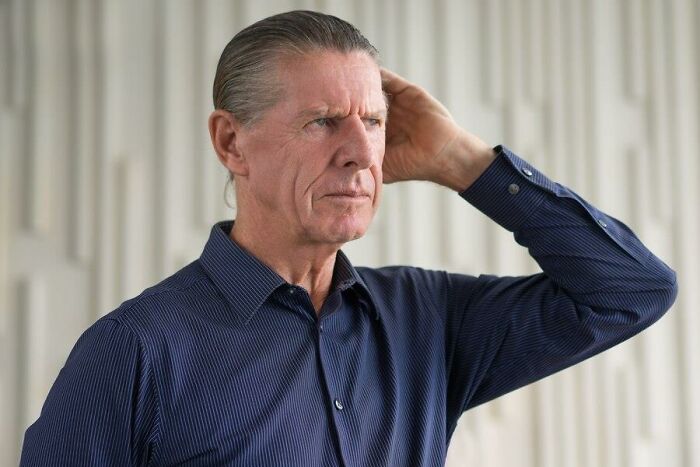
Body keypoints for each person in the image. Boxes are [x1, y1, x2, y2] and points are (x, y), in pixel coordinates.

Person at [20, 10, 677, 467]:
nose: (362, 152)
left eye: (374, 121)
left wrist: (461, 161)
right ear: (231, 142)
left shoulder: (425, 319)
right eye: (324, 122)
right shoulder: (132, 351)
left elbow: (633, 290)